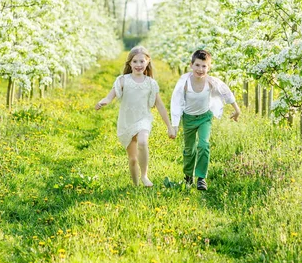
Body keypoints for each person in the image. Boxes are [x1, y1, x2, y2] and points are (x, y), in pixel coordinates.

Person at [96, 46, 176, 187]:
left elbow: (160, 106)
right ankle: (136, 185)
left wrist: (169, 127)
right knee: (132, 159)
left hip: (143, 119)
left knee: (143, 142)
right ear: (130, 63)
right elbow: (110, 96)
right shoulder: (122, 80)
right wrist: (104, 101)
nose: (139, 65)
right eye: (135, 62)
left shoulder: (151, 83)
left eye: (141, 61)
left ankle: (144, 176)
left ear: (147, 62)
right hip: (126, 122)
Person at [170, 49, 241, 191]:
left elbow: (225, 92)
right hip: (189, 119)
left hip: (204, 117)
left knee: (203, 144)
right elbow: (176, 102)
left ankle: (201, 178)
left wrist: (237, 110)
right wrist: (175, 125)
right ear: (191, 65)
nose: (200, 69)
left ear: (209, 67)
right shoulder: (185, 82)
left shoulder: (211, 82)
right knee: (189, 150)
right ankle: (188, 176)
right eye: (197, 65)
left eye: (204, 66)